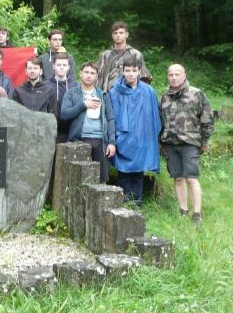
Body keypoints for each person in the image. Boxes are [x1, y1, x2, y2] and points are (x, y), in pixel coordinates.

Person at [159, 64, 214, 224]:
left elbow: (207, 119)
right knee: (178, 178)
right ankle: (183, 210)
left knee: (191, 178)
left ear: (184, 75)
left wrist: (205, 140)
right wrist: (161, 141)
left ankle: (197, 214)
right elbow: (161, 120)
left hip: (190, 142)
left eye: (177, 74)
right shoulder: (164, 96)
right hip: (170, 143)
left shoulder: (196, 94)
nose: (174, 77)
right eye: (171, 75)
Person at [109, 58, 161, 206]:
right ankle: (123, 202)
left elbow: (154, 117)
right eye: (127, 71)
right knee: (123, 173)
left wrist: (152, 138)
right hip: (122, 138)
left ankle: (137, 203)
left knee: (138, 173)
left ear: (139, 71)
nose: (130, 74)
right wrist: (113, 139)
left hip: (142, 138)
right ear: (123, 71)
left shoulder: (149, 91)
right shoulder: (114, 92)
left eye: (134, 70)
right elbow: (110, 117)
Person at [61, 62, 116, 182]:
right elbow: (64, 114)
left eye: (92, 73)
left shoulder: (103, 94)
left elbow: (110, 118)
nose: (89, 75)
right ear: (80, 74)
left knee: (101, 179)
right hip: (79, 139)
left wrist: (112, 142)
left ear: (96, 76)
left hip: (100, 141)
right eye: (86, 72)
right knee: (78, 178)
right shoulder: (71, 93)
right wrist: (84, 104)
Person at [97, 21, 152, 91]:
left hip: (131, 95)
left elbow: (144, 78)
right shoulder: (104, 56)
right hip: (109, 95)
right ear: (112, 35)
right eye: (115, 33)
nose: (118, 35)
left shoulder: (136, 54)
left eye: (121, 33)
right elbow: (98, 78)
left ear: (127, 34)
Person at [47, 52, 76, 143]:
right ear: (53, 66)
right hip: (51, 131)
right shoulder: (45, 86)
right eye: (59, 65)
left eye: (64, 65)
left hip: (71, 132)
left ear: (68, 67)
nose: (62, 67)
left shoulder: (76, 86)